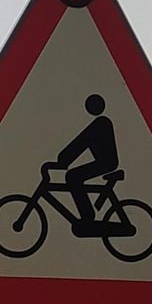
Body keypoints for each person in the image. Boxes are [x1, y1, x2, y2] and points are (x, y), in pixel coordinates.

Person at [52, 93, 120, 231]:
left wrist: (64, 160)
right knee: (73, 177)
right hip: (103, 162)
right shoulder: (100, 122)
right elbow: (82, 142)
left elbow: (82, 142)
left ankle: (88, 217)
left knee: (72, 177)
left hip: (107, 163)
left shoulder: (101, 123)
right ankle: (88, 215)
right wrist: (64, 160)